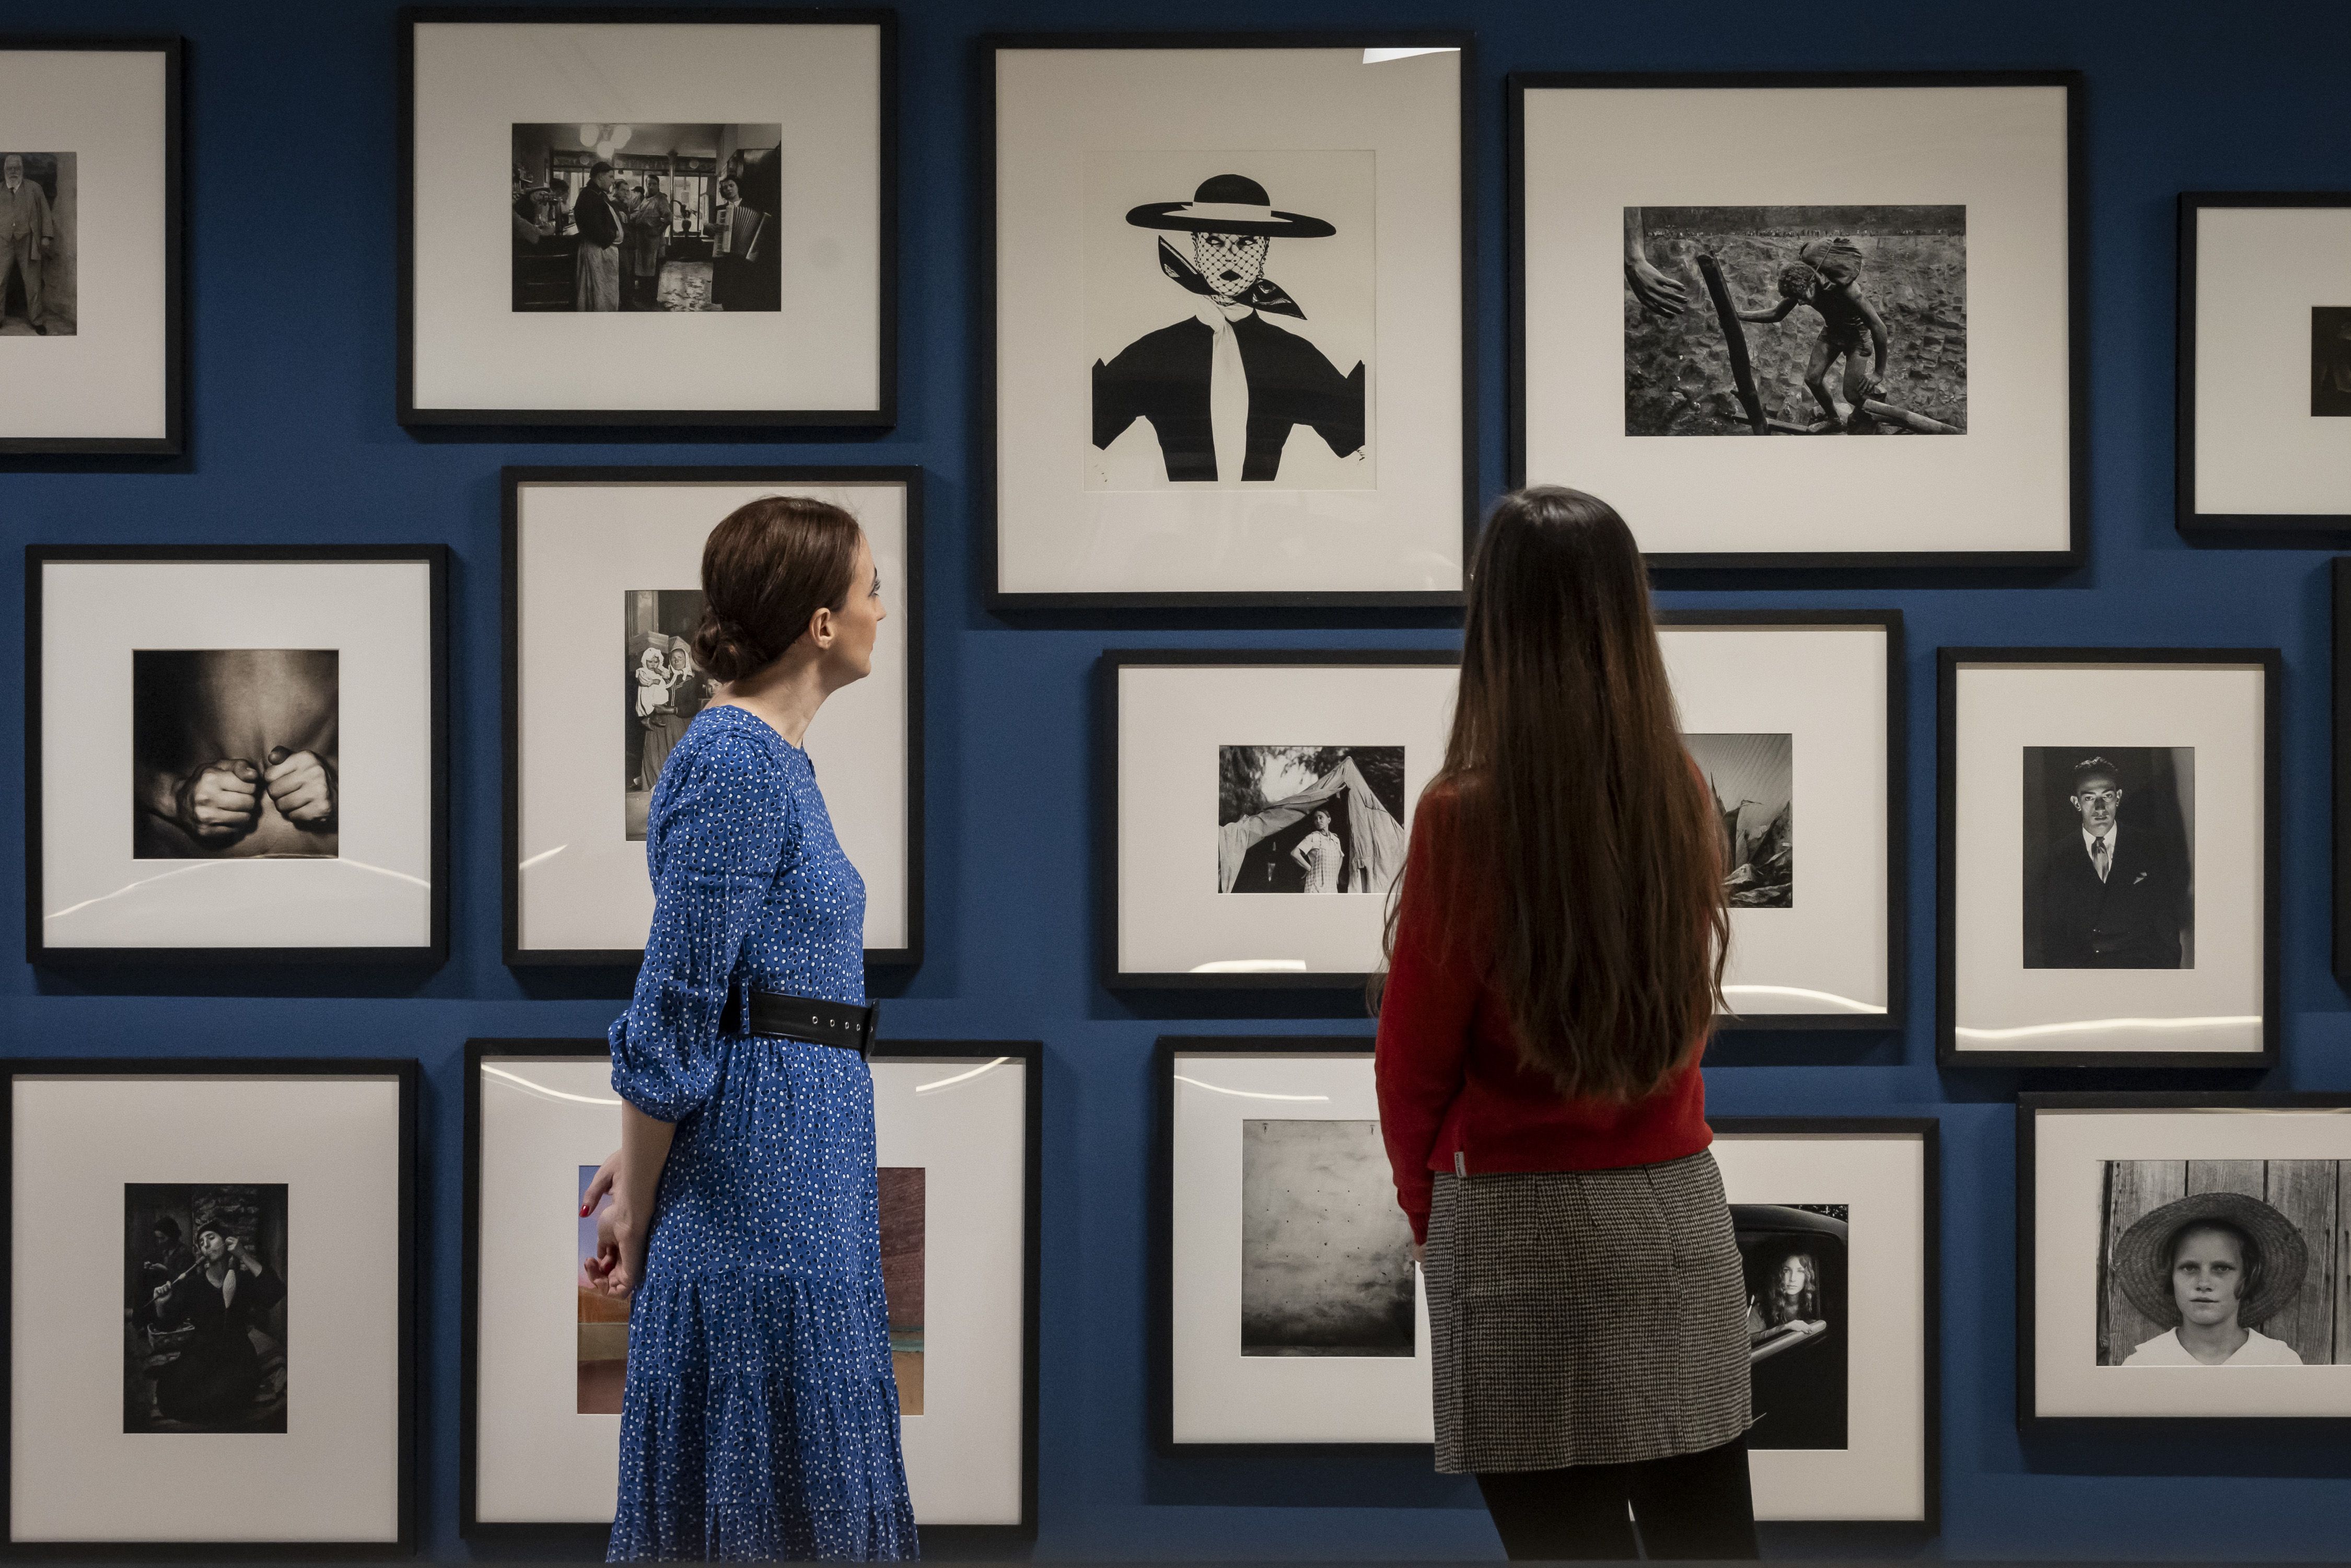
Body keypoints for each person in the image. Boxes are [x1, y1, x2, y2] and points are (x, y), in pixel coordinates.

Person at [1376, 485, 1754, 1562]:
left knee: (1567, 1554)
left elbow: (1412, 1072)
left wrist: (1430, 1217)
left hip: (1515, 1224)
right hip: (1679, 1213)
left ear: (1495, 617)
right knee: (1710, 1545)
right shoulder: (1680, 789)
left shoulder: (1465, 814)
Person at [582, 495, 917, 1561]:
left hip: (795, 1155)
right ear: (821, 622)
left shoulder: (773, 763)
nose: (882, 608)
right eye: (872, 587)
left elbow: (709, 1002)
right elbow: (676, 1009)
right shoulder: (733, 761)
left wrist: (634, 1159)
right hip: (759, 1176)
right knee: (770, 1477)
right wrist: (638, 1187)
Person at [1091, 173, 1366, 482]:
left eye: (1246, 242)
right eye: (1214, 241)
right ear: (1195, 246)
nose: (1230, 256)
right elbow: (1083, 436)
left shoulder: (1293, 356)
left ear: (1264, 249)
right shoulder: (1155, 353)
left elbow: (1363, 446)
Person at [132, 649, 337, 860]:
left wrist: (341, 787)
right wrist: (172, 796)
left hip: (332, 854)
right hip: (177, 851)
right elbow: (102, 739)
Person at [2115, 1192, 2307, 1366]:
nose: (2204, 1284)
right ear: (2171, 1277)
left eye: (2222, 1268)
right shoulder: (2145, 1364)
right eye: (2189, 1268)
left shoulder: (2278, 1361)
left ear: (2247, 1279)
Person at [2033, 754, 2189, 969]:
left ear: (2119, 797)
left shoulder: (2150, 848)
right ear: (2076, 803)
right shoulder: (2058, 858)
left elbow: (2167, 934)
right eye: (2089, 798)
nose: (2100, 808)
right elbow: (2052, 941)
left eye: (2107, 796)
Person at [1732, 237, 1891, 430]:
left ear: (1812, 284)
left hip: (1857, 339)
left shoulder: (1848, 291)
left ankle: (1879, 402)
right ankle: (1834, 420)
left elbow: (1879, 327)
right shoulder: (1800, 286)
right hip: (1832, 334)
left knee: (1851, 395)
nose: (1800, 303)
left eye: (1802, 297)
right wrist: (1738, 315)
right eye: (1797, 299)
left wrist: (1878, 373)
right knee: (1812, 379)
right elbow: (1776, 314)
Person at [139, 1223, 285, 1427]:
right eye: (201, 1243)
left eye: (211, 1238)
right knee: (173, 1395)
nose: (205, 1245)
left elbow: (275, 1293)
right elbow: (167, 1325)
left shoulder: (243, 1280)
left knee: (227, 1395)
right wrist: (162, 1305)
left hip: (237, 1354)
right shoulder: (193, 1285)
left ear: (227, 1242)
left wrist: (244, 1256)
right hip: (201, 1352)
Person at [0, 154, 56, 334]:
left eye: (17, 168)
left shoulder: (34, 189)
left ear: (22, 169)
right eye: (10, 168)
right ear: (5, 170)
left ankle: (36, 320)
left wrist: (46, 236)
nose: (14, 172)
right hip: (3, 241)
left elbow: (46, 213)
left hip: (29, 240)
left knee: (32, 283)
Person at [572, 160, 624, 312]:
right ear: (600, 177)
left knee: (603, 292)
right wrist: (613, 234)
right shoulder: (588, 196)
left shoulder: (597, 194)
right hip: (597, 250)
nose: (613, 181)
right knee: (598, 293)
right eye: (611, 177)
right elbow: (594, 229)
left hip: (601, 250)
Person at [624, 173, 671, 310]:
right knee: (642, 269)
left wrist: (660, 230)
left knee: (652, 269)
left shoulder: (661, 199)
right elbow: (638, 214)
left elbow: (668, 217)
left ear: (658, 185)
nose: (651, 186)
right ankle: (644, 295)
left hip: (652, 240)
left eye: (654, 184)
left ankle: (651, 297)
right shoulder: (645, 199)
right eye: (649, 184)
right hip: (641, 239)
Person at [1290, 808, 1345, 893]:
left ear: (1329, 820)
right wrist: (1309, 868)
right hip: (1316, 887)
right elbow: (1295, 853)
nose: (1318, 821)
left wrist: (1336, 875)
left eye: (1321, 817)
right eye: (1316, 819)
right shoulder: (1312, 838)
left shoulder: (1336, 840)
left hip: (1332, 888)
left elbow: (1341, 857)